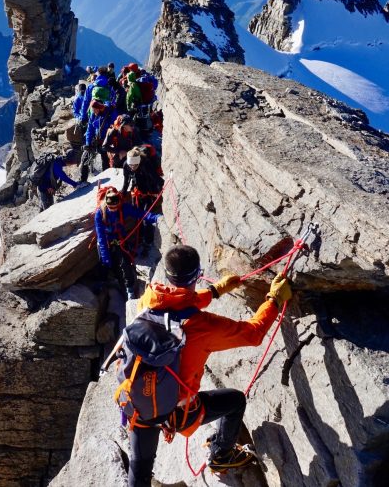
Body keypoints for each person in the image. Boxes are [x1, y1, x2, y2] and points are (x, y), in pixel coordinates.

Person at [126, 245, 293, 486]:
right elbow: (253, 334)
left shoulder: (149, 300)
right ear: (196, 275)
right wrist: (274, 300)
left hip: (137, 403)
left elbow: (178, 301)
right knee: (235, 401)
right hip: (178, 413)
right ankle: (221, 455)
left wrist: (216, 291)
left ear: (168, 274)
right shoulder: (203, 327)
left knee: (139, 472)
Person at [95, 187, 160, 300]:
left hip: (120, 239)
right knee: (103, 263)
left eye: (115, 207)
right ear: (106, 204)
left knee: (125, 264)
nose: (114, 210)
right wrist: (106, 258)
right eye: (111, 208)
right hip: (105, 240)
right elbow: (101, 237)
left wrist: (155, 218)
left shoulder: (124, 208)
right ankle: (102, 282)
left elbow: (140, 214)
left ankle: (129, 289)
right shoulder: (100, 213)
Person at [123, 146, 164, 252]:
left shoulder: (145, 164)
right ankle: (140, 237)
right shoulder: (126, 166)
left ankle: (148, 242)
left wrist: (160, 191)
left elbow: (156, 179)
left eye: (134, 165)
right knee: (137, 218)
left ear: (138, 162)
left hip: (148, 193)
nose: (132, 167)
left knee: (146, 218)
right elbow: (126, 180)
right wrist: (122, 193)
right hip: (136, 193)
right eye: (130, 165)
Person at [81, 100, 116, 181]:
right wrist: (88, 143)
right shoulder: (93, 115)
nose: (93, 112)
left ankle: (107, 176)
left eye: (94, 110)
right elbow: (90, 129)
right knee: (85, 157)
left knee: (105, 159)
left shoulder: (110, 112)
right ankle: (83, 180)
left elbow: (115, 126)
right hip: (97, 140)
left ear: (99, 108)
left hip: (107, 141)